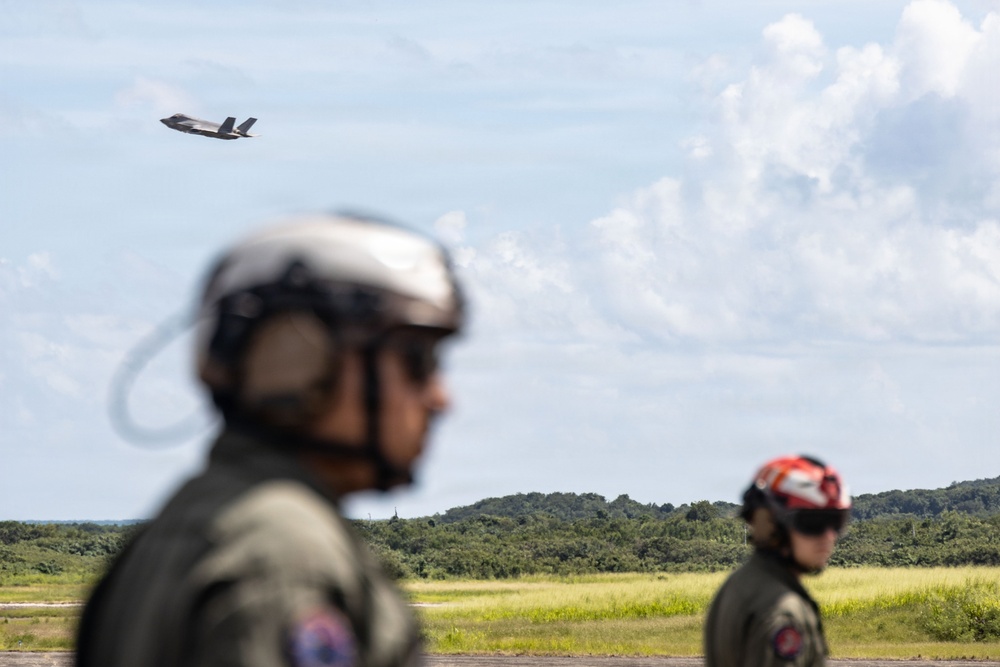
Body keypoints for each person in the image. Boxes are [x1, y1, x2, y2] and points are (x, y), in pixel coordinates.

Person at [76, 212, 465, 667]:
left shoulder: (177, 531)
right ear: (300, 360)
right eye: (416, 360)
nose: (440, 399)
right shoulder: (284, 555)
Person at [703, 455, 851, 667]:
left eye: (837, 521)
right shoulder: (782, 611)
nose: (829, 536)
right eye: (812, 522)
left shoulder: (738, 583)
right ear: (772, 524)